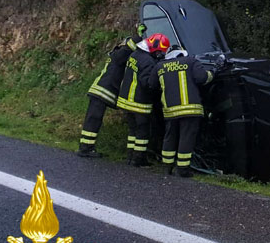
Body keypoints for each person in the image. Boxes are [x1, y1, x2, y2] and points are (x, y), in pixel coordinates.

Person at [77, 25, 146, 158]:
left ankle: (86, 147)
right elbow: (128, 49)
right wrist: (138, 37)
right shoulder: (120, 54)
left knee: (93, 119)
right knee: (94, 120)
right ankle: (85, 149)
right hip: (102, 91)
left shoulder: (115, 54)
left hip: (100, 90)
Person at [153, 45, 214, 177]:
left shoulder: (160, 66)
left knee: (170, 137)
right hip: (190, 109)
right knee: (186, 137)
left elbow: (152, 84)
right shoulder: (191, 61)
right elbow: (202, 78)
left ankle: (167, 167)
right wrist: (212, 73)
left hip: (170, 110)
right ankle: (182, 169)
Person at [117, 33, 169, 166]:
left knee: (132, 130)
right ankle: (139, 159)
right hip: (138, 103)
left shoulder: (134, 55)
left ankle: (130, 156)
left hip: (126, 100)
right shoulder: (148, 61)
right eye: (160, 52)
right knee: (142, 131)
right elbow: (147, 83)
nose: (160, 54)